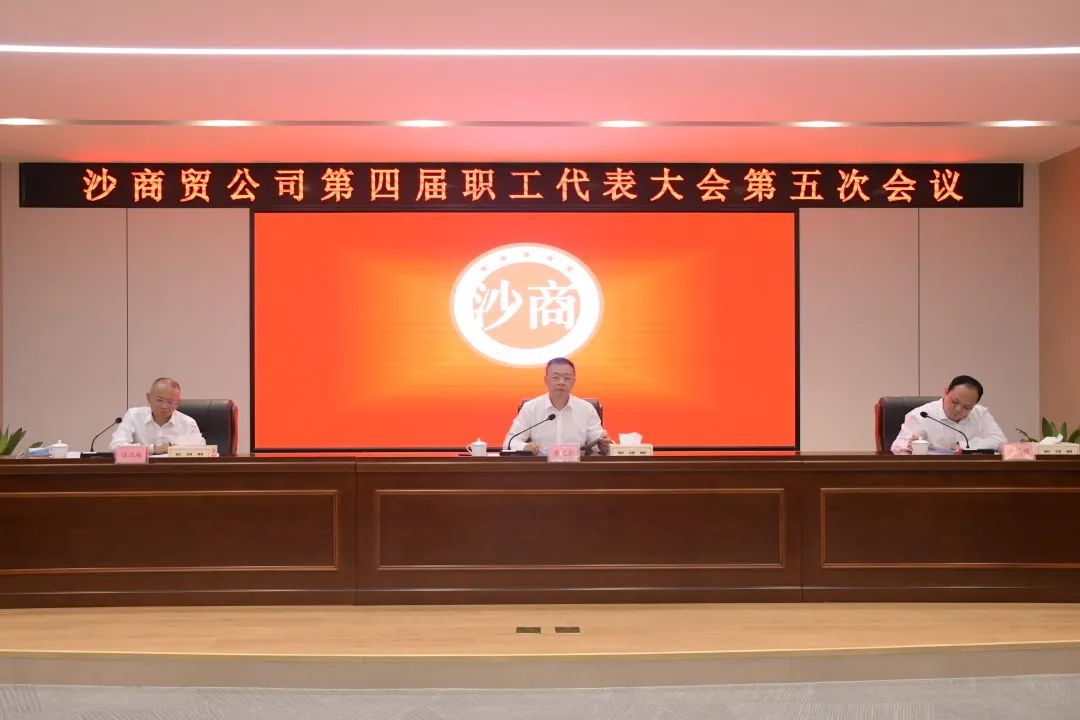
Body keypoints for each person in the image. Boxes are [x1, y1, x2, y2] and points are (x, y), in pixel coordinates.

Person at [504, 357, 612, 455]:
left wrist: (604, 446)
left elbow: (600, 442)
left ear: (574, 382)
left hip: (577, 468)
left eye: (567, 378)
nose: (561, 382)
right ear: (546, 380)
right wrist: (524, 447)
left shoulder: (586, 409)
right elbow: (509, 442)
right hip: (541, 467)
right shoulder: (531, 408)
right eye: (555, 377)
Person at [891, 375, 1007, 454]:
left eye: (967, 407)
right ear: (946, 392)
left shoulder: (980, 413)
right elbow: (896, 446)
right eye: (955, 402)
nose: (958, 409)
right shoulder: (922, 415)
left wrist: (964, 446)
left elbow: (1000, 442)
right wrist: (909, 446)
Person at [110, 377, 205, 453]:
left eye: (170, 402)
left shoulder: (188, 423)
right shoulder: (134, 416)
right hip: (141, 469)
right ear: (148, 398)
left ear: (178, 403)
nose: (164, 406)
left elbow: (202, 451)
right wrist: (152, 449)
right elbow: (115, 446)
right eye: (159, 400)